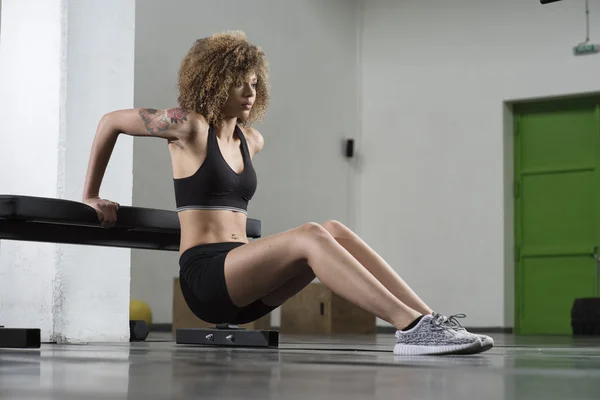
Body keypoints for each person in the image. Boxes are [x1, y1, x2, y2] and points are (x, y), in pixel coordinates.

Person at [82, 31, 493, 356]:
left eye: (255, 84)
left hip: (246, 290)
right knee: (312, 233)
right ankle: (410, 329)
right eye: (240, 83)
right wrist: (92, 194)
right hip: (206, 279)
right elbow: (110, 122)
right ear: (213, 81)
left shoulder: (251, 140)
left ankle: (430, 321)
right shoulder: (186, 127)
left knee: (334, 229)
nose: (250, 93)